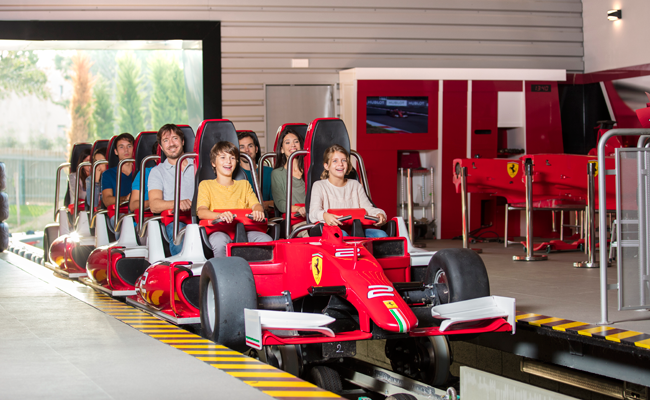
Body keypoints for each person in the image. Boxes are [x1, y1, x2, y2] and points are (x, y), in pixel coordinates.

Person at [196, 141, 271, 258]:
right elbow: (201, 212)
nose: (228, 161)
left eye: (232, 158)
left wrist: (257, 211)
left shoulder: (244, 185)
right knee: (219, 241)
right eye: (223, 157)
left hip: (245, 231)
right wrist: (219, 216)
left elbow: (257, 205)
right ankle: (222, 269)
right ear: (213, 163)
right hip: (219, 231)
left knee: (266, 240)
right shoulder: (206, 185)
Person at [309, 144, 387, 238]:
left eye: (344, 160)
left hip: (356, 228)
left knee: (381, 234)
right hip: (332, 230)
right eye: (335, 161)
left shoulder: (355, 185)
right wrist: (325, 215)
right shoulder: (319, 186)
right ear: (326, 166)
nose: (340, 164)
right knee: (343, 236)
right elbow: (314, 212)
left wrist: (379, 214)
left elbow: (367, 209)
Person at [148, 124, 195, 255]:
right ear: (161, 147)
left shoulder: (197, 165)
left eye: (175, 138)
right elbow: (154, 205)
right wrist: (178, 203)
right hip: (176, 220)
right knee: (180, 235)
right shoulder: (157, 172)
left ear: (182, 141)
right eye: (166, 140)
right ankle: (182, 266)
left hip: (200, 216)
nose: (171, 144)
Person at [271, 129, 306, 219]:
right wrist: (298, 209)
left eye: (296, 142)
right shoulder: (277, 174)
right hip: (294, 219)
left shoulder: (309, 170)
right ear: (282, 150)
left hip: (313, 217)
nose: (293, 145)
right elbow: (281, 204)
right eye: (287, 142)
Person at [238, 131, 274, 212]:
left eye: (250, 146)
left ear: (256, 149)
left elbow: (279, 202)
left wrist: (260, 206)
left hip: (266, 216)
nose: (247, 150)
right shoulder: (232, 174)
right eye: (242, 147)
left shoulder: (270, 172)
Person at [101, 133, 135, 208]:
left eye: (129, 146)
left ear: (134, 149)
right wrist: (125, 199)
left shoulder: (142, 173)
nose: (126, 150)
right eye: (121, 147)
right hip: (118, 212)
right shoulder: (108, 174)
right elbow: (107, 200)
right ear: (116, 151)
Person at [129, 142, 158, 213]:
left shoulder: (182, 172)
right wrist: (156, 203)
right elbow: (133, 205)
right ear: (155, 159)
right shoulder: (145, 173)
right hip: (149, 215)